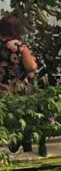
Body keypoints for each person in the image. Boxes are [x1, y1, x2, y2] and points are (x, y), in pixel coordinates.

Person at [0, 14, 38, 152]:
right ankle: (24, 143)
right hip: (18, 88)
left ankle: (9, 142)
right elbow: (31, 67)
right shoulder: (18, 46)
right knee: (23, 116)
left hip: (2, 89)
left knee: (5, 117)